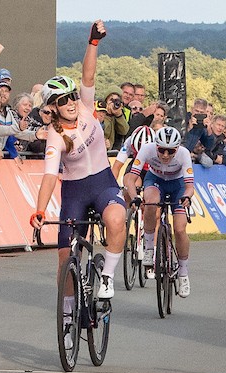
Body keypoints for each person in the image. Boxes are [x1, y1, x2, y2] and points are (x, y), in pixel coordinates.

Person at [30, 20, 126, 302]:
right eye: (63, 100)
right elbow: (49, 176)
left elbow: (89, 74)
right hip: (74, 192)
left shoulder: (85, 108)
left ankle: (107, 275)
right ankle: (69, 315)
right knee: (65, 260)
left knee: (117, 218)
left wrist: (93, 42)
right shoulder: (54, 137)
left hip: (102, 182)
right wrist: (39, 210)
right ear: (52, 108)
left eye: (71, 96)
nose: (71, 102)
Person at [124, 126, 194, 298]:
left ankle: (183, 273)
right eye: (161, 149)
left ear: (177, 148)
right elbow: (131, 179)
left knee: (179, 228)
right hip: (155, 179)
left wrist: (186, 197)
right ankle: (149, 248)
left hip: (177, 184)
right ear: (156, 145)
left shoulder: (184, 154)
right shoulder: (147, 150)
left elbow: (190, 186)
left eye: (170, 151)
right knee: (151, 202)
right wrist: (134, 197)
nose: (164, 155)